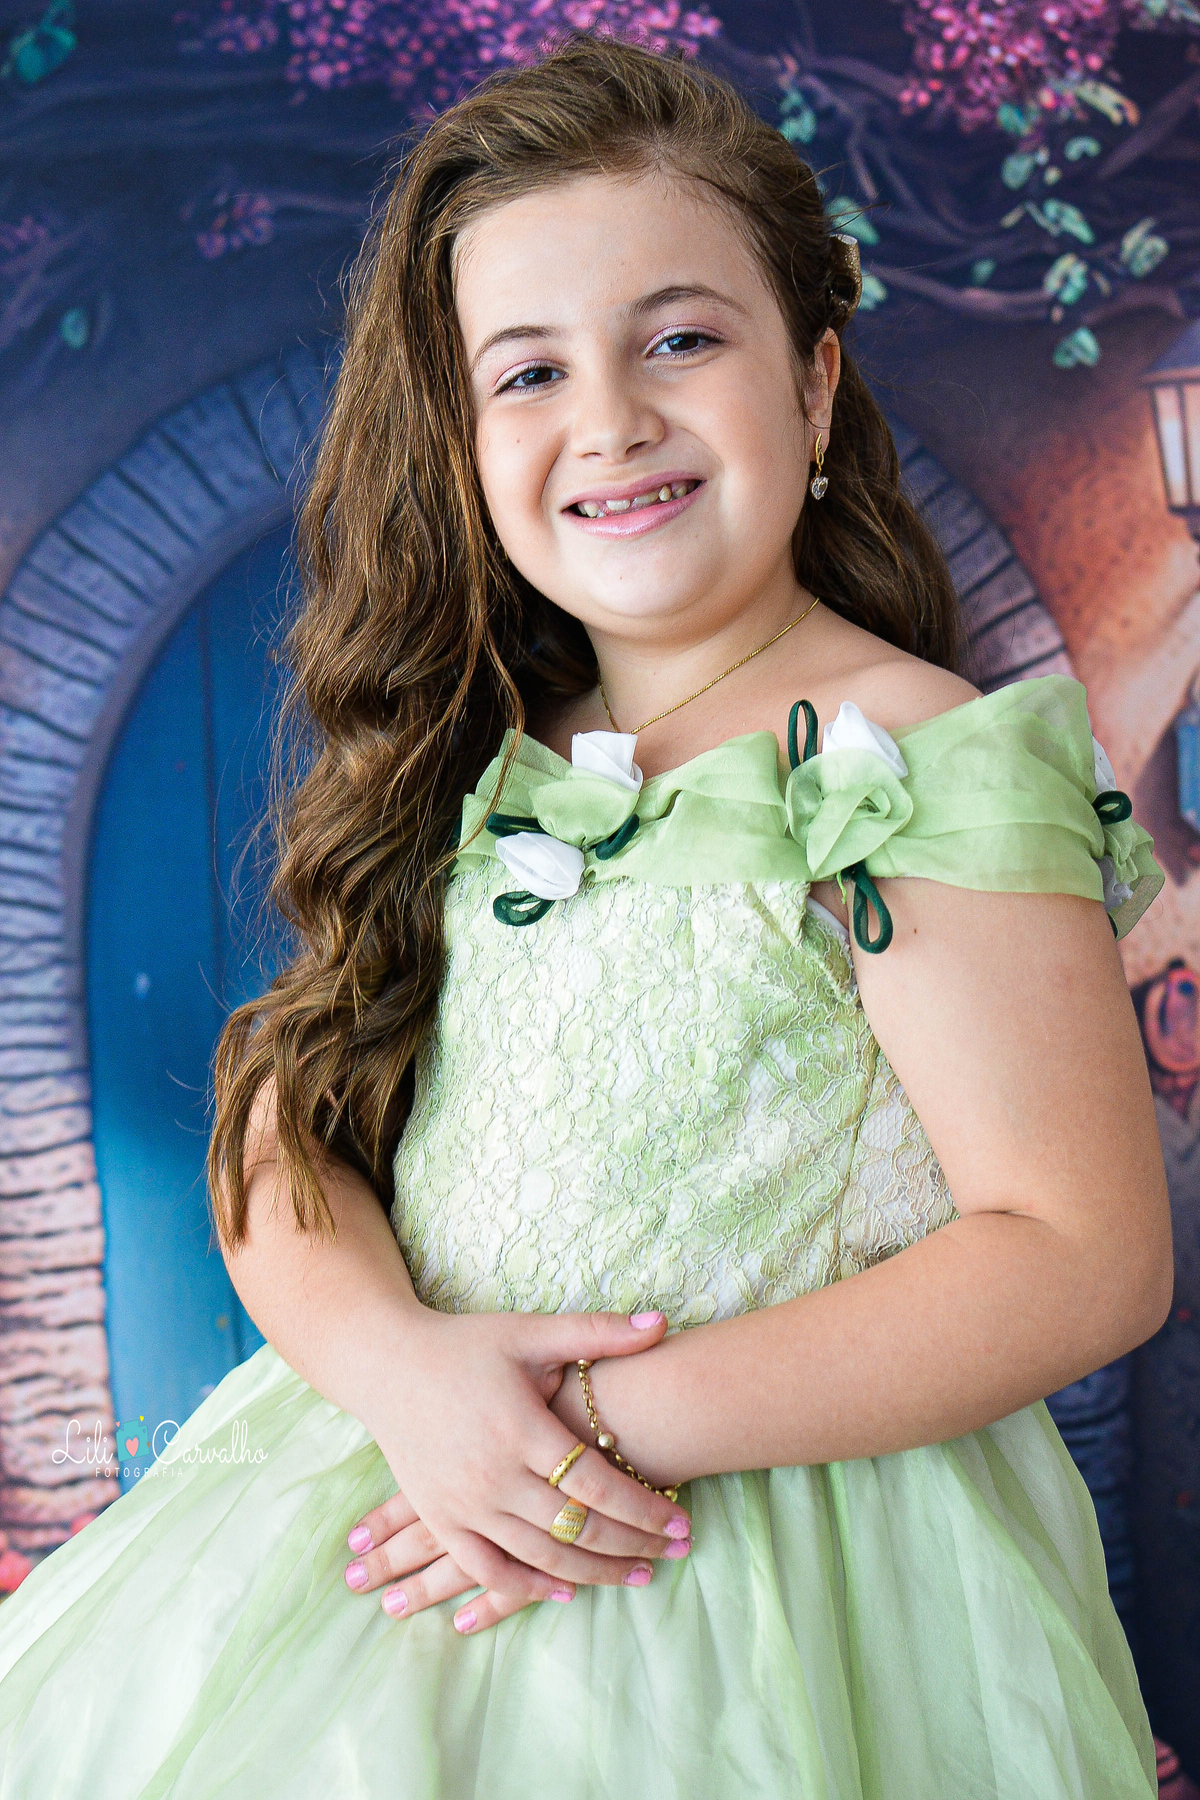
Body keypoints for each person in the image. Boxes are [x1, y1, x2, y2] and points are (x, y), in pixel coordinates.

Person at [0, 34, 1174, 1799]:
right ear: (466, 442)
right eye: (531, 372)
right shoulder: (479, 760)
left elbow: (1080, 1250)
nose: (610, 419)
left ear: (816, 383)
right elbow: (283, 1131)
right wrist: (409, 1376)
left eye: (679, 340)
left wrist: (576, 1436)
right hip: (406, 1497)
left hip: (755, 1590)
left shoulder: (905, 759)